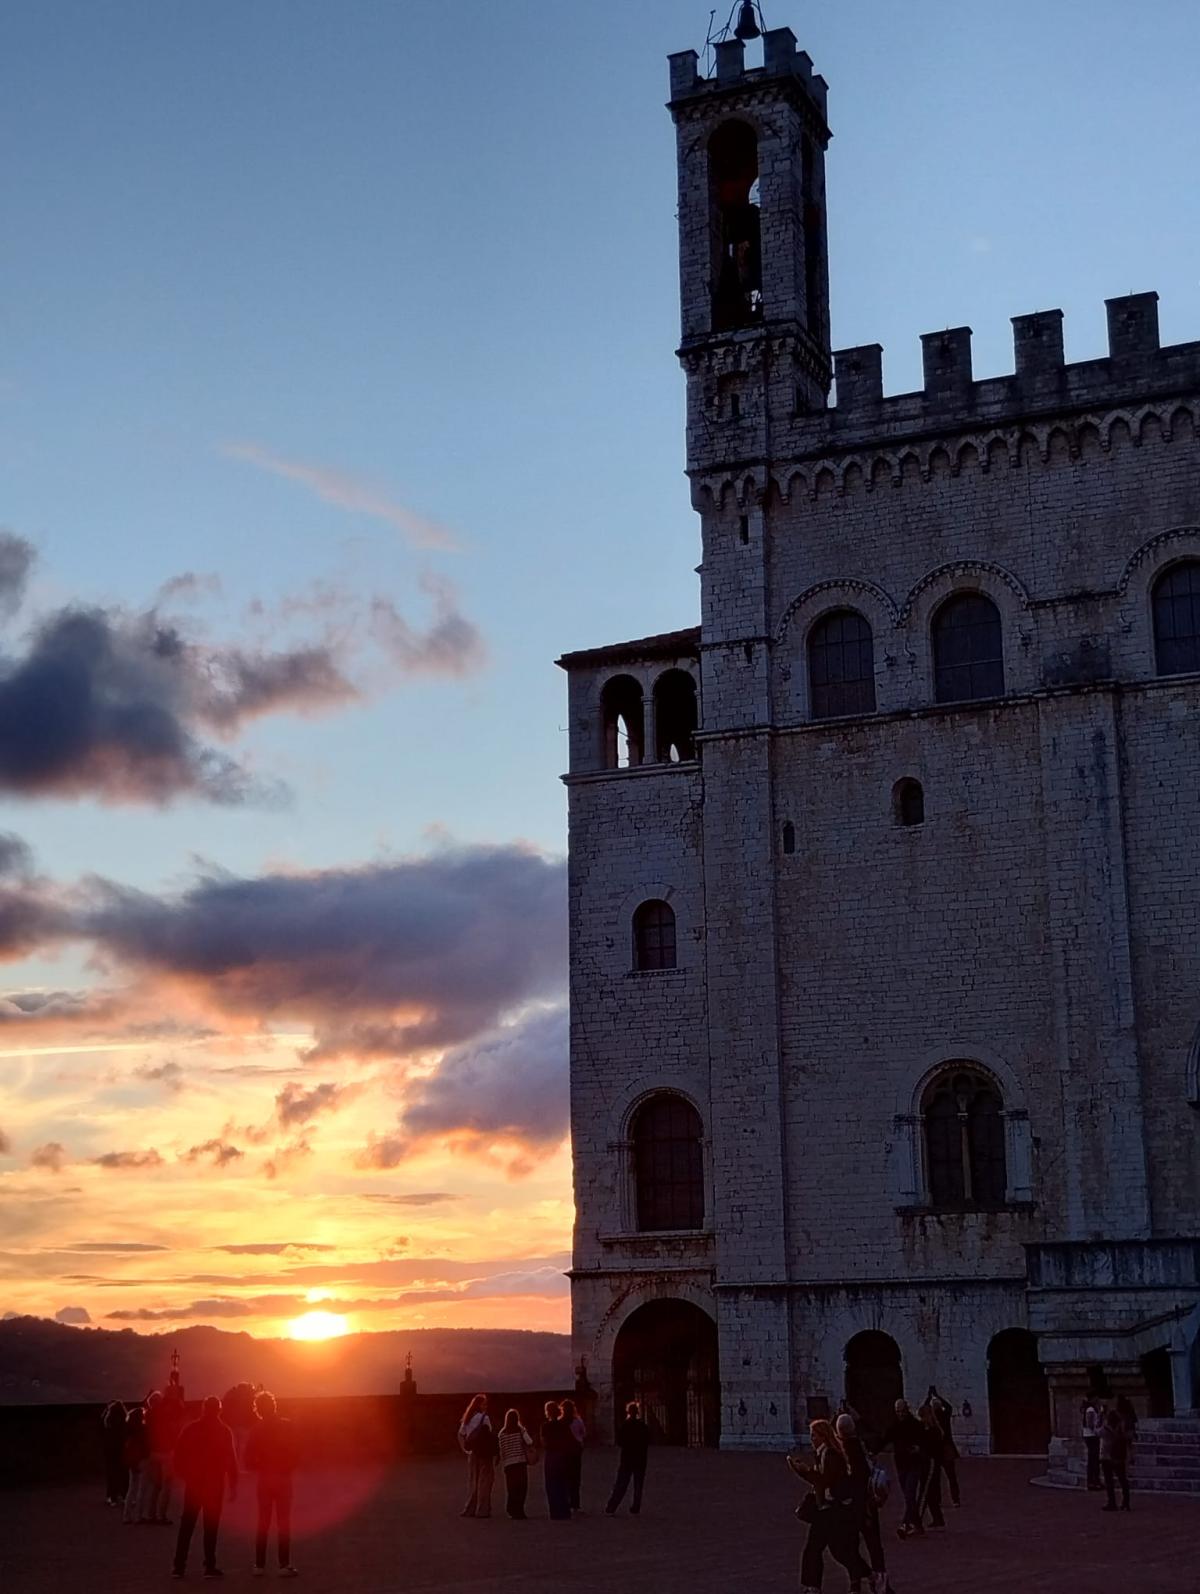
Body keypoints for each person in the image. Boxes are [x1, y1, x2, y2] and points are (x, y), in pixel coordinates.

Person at [788, 1418, 874, 1594]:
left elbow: (825, 1481)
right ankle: (814, 1586)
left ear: (823, 1436)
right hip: (827, 1508)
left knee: (834, 1550)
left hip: (831, 1509)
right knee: (827, 1548)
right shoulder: (823, 1453)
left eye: (814, 1435)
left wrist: (804, 1471)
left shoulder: (831, 1455)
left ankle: (817, 1586)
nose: (811, 1439)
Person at [172, 1395, 238, 1579]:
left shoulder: (191, 1429)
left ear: (203, 1409)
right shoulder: (224, 1431)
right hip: (214, 1484)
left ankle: (179, 1565)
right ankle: (209, 1565)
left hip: (194, 1482)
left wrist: (185, 1475)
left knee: (187, 1525)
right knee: (211, 1526)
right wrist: (233, 1484)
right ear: (219, 1410)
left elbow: (178, 1454)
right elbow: (231, 1460)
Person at [244, 1390, 300, 1576]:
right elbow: (296, 1454)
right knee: (283, 1522)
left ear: (258, 1409)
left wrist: (262, 1464)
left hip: (265, 1479)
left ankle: (259, 1564)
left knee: (263, 1522)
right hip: (283, 1478)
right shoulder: (287, 1426)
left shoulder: (256, 1430)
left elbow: (248, 1460)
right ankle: (284, 1564)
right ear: (274, 1405)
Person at [836, 1413, 892, 1594]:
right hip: (868, 1505)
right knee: (873, 1544)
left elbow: (854, 1482)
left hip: (857, 1507)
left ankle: (864, 1581)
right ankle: (878, 1579)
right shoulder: (861, 1445)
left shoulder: (848, 1451)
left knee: (850, 1545)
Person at [882, 1398, 928, 1539]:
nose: (900, 1414)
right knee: (909, 1497)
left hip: (914, 1464)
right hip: (901, 1464)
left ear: (907, 1410)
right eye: (898, 1412)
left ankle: (905, 1524)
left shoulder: (916, 1425)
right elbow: (884, 1439)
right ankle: (918, 1525)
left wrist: (918, 1448)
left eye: (902, 1411)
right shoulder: (894, 1425)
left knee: (909, 1494)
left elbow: (924, 1442)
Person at [605, 1400, 650, 1516]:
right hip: (640, 1458)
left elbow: (620, 1441)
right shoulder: (642, 1426)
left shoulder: (625, 1426)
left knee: (621, 1483)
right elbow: (647, 1441)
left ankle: (612, 1507)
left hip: (627, 1458)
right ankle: (636, 1506)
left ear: (628, 1412)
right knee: (638, 1484)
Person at [457, 1394, 495, 1519]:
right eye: (484, 1404)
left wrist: (465, 1450)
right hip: (484, 1453)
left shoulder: (468, 1418)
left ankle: (470, 1508)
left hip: (473, 1453)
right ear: (479, 1405)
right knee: (485, 1481)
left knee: (473, 1481)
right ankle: (482, 1509)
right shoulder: (484, 1418)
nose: (486, 1406)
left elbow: (460, 1434)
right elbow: (489, 1434)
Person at [497, 1408, 536, 1520]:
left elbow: (502, 1450)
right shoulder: (520, 1431)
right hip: (520, 1462)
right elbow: (529, 1442)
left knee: (511, 1488)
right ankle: (520, 1510)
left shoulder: (502, 1433)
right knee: (522, 1487)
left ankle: (511, 1509)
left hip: (508, 1464)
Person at [539, 1401, 574, 1521]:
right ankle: (565, 1510)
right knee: (562, 1484)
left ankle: (555, 1511)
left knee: (551, 1484)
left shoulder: (545, 1426)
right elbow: (569, 1440)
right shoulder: (563, 1425)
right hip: (562, 1456)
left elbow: (543, 1443)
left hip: (551, 1456)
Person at [928, 1385, 961, 1506]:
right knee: (949, 1476)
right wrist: (937, 1395)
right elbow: (948, 1406)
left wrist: (930, 1396)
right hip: (943, 1450)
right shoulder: (942, 1417)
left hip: (941, 1450)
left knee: (940, 1477)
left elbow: (925, 1408)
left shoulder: (935, 1418)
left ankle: (946, 1500)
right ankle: (955, 1499)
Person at [917, 1403, 947, 1529]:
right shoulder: (934, 1430)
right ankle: (938, 1519)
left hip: (931, 1464)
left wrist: (919, 1449)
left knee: (924, 1493)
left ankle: (916, 1520)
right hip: (931, 1464)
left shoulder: (933, 1431)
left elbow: (930, 1449)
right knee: (931, 1494)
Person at [1100, 1408, 1131, 1513]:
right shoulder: (1121, 1430)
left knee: (1109, 1482)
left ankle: (1112, 1502)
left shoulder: (1105, 1429)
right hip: (1119, 1457)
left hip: (1106, 1457)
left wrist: (1100, 1417)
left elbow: (1096, 1432)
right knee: (1123, 1480)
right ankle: (1126, 1502)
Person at [122, 1405, 150, 1524]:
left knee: (131, 1488)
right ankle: (138, 1516)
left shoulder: (128, 1430)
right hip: (142, 1460)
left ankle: (126, 1516)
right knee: (141, 1490)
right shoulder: (143, 1429)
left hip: (132, 1461)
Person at [560, 1396, 586, 1513]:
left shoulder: (561, 1422)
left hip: (564, 1452)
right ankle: (575, 1504)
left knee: (565, 1478)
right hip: (576, 1451)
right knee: (575, 1478)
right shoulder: (578, 1421)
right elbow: (583, 1433)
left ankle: (566, 1502)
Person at [101, 1401, 128, 1507]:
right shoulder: (124, 1422)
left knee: (112, 1473)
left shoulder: (107, 1421)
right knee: (124, 1473)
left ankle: (112, 1497)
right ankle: (125, 1495)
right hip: (121, 1450)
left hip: (110, 1451)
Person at [1082, 1399, 1104, 1492]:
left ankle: (1095, 1480)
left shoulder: (1091, 1409)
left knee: (1094, 1459)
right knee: (1093, 1459)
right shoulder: (1090, 1410)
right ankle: (1092, 1481)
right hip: (1091, 1436)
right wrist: (1096, 1432)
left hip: (1091, 1435)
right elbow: (1090, 1423)